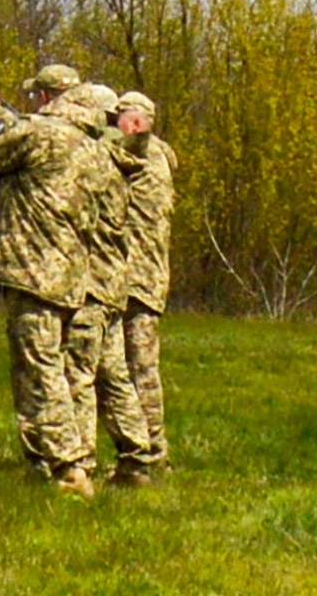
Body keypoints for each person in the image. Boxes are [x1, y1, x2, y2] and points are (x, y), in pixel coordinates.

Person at [0, 64, 99, 498]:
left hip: (33, 270)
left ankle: (69, 471)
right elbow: (26, 137)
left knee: (41, 370)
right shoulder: (83, 142)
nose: (31, 102)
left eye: (37, 96)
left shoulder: (42, 132)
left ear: (49, 97)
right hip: (69, 273)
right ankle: (62, 458)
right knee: (60, 369)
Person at [60, 83, 153, 487]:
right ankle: (137, 458)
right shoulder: (120, 157)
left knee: (79, 374)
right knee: (114, 375)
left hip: (92, 285)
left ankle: (82, 463)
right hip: (114, 284)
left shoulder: (95, 159)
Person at [115, 91, 178, 470]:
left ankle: (152, 454)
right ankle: (144, 452)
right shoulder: (155, 154)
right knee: (137, 369)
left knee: (140, 370)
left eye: (118, 119)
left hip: (136, 279)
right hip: (141, 277)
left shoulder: (143, 158)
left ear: (136, 124)